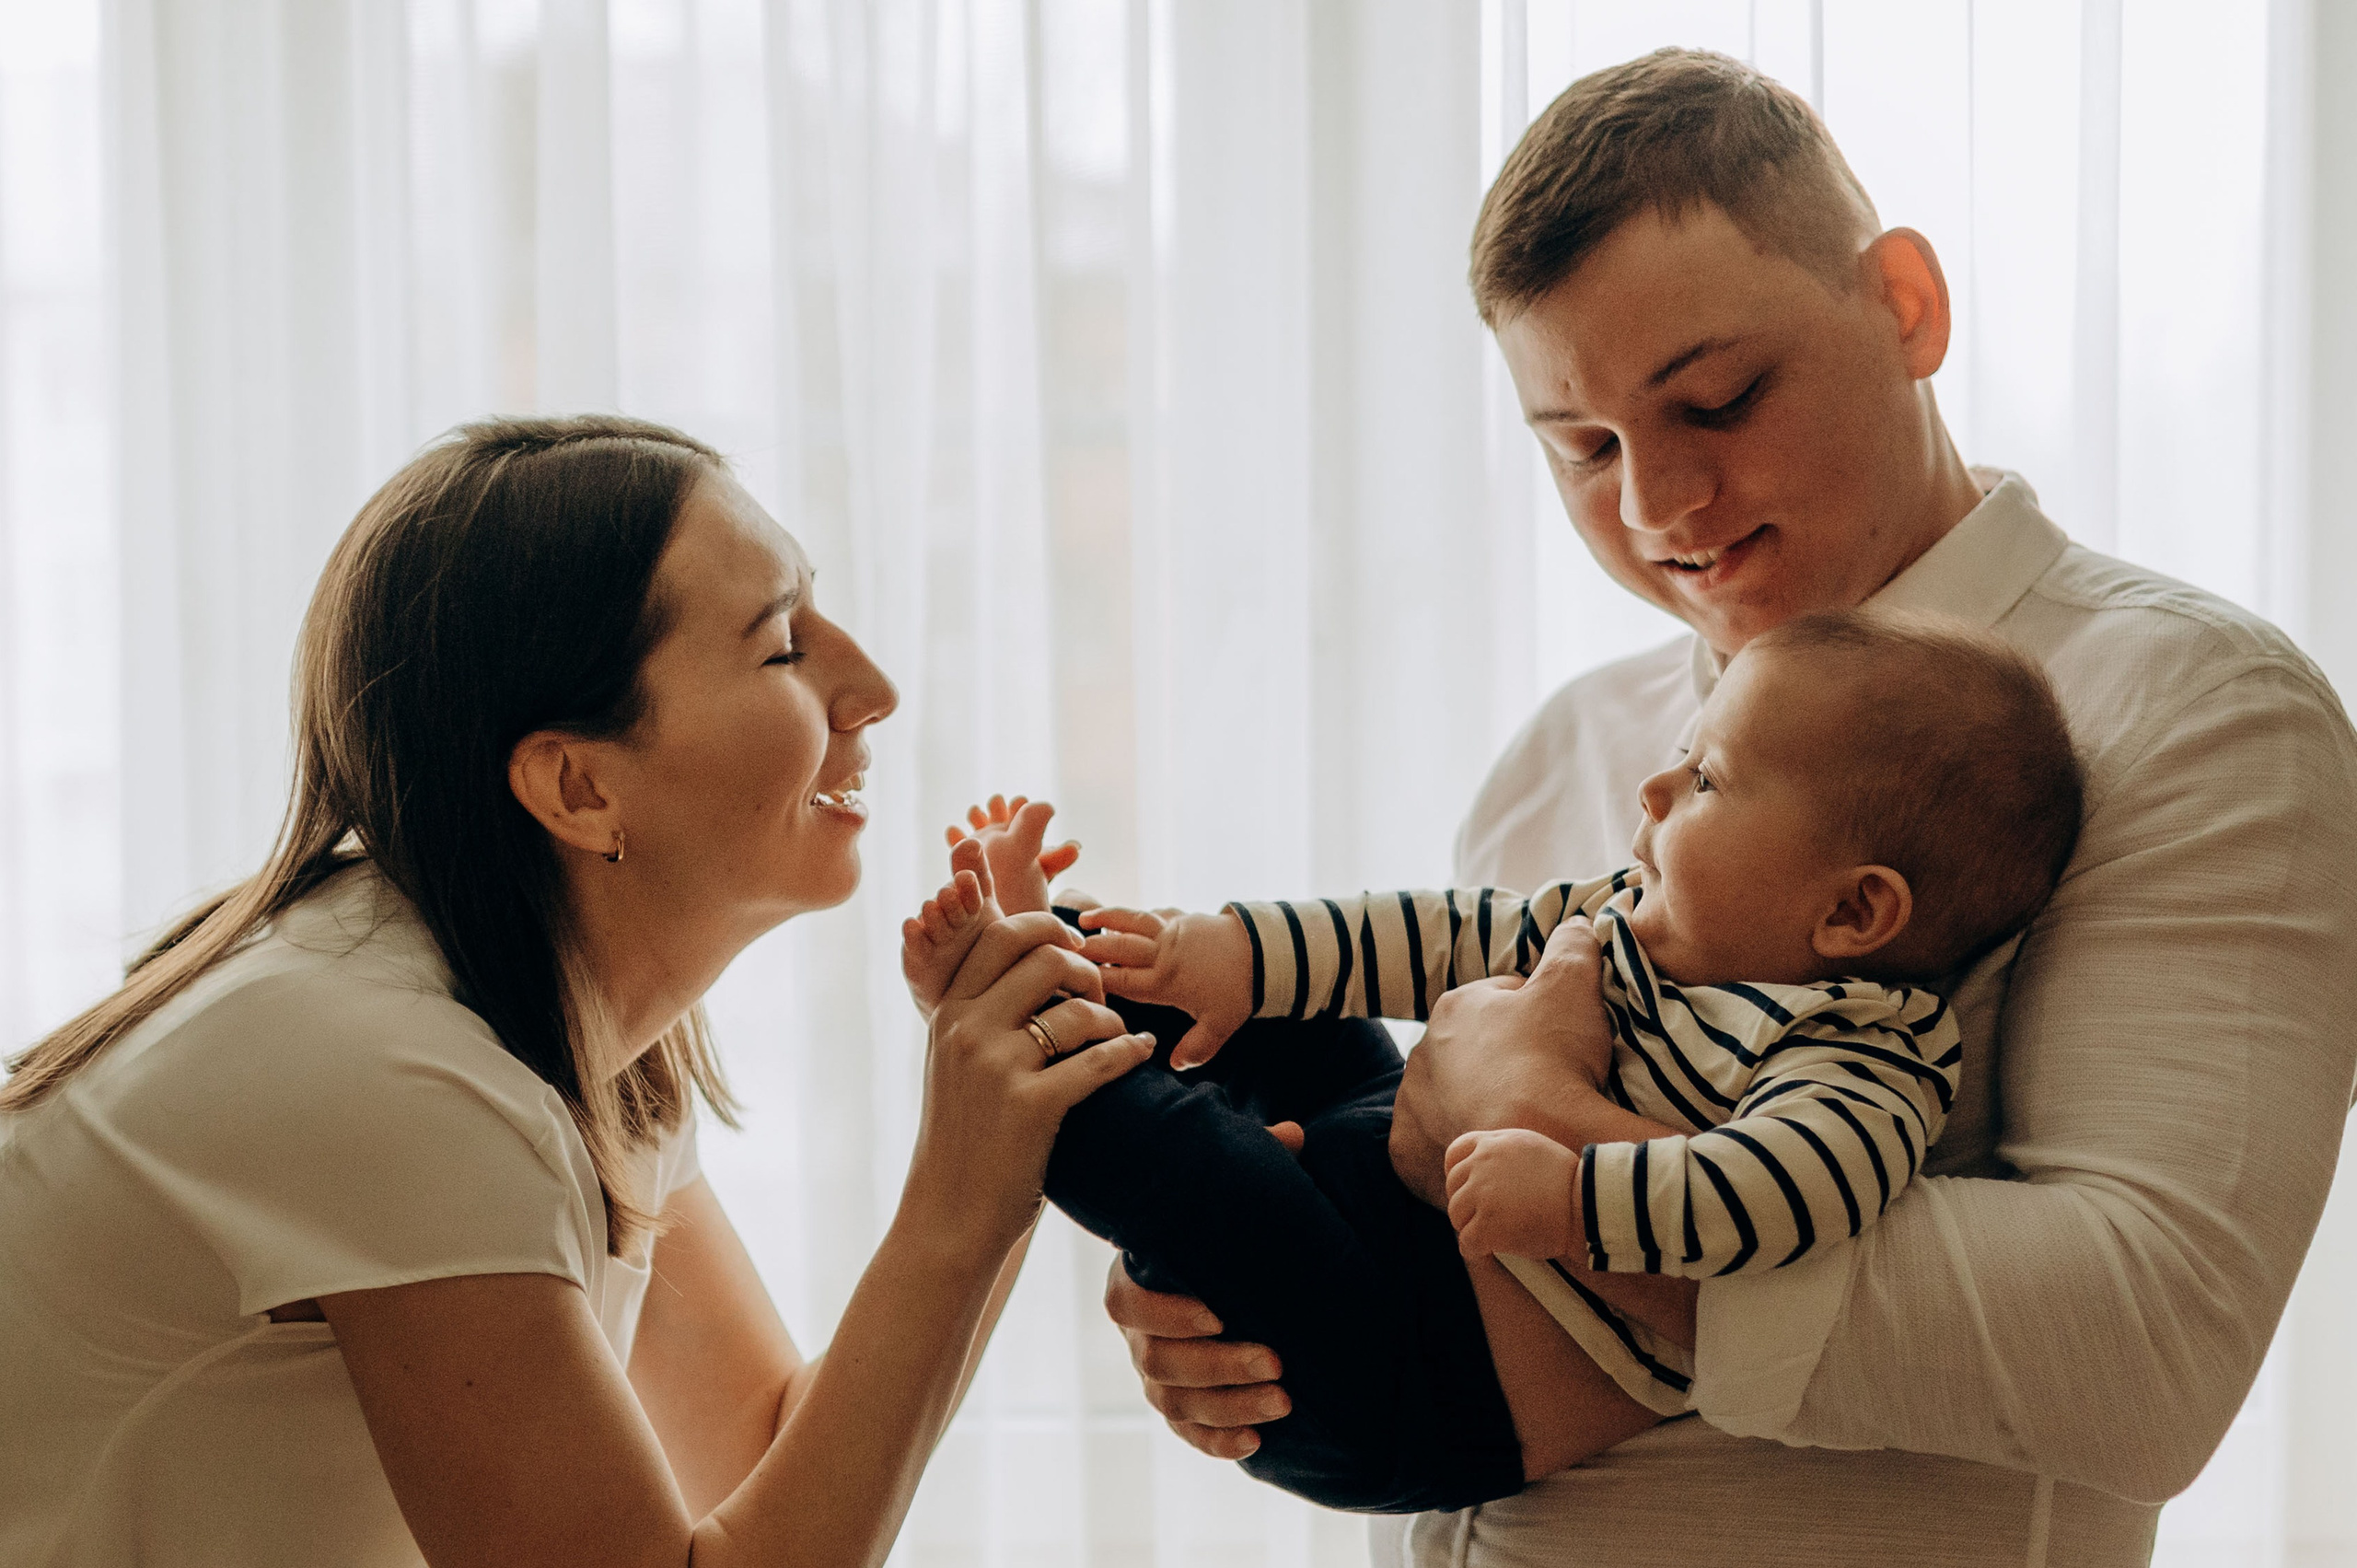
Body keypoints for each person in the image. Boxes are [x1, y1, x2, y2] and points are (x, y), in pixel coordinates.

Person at [1104, 48, 2357, 1568]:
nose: (1655, 506)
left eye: (1717, 398)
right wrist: (1271, 1309)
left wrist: (1526, 1125)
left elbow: (2146, 1347)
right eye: (1583, 450)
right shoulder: (1567, 749)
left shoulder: (2194, 713)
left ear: (1906, 307)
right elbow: (1465, 1296)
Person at [0, 415, 1154, 1568]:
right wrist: (962, 1189)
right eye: (784, 646)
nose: (874, 688)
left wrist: (1015, 1108)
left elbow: (759, 1460)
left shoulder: (571, 1031)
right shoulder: (387, 1068)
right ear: (576, 784)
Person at [917, 610, 2077, 1514]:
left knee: (1201, 1175)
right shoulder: (1636, 915)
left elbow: (1784, 1194)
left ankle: (1006, 1015)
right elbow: (1440, 933)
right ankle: (1061, 953)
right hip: (1385, 1177)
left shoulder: (1855, 1051)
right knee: (1291, 1018)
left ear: (1854, 910)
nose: (1654, 787)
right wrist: (1227, 950)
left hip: (1419, 1372)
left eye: (1710, 780)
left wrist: (1571, 1191)